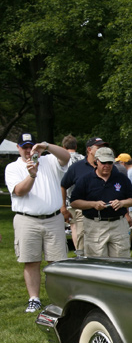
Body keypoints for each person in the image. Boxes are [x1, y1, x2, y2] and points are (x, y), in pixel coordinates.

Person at [6, 133, 71, 312]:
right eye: (24, 147)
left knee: (56, 262)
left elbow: (66, 156)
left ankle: (59, 298)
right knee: (31, 261)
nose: (28, 151)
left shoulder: (50, 160)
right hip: (26, 220)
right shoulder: (13, 167)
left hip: (54, 218)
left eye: (31, 146)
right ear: (18, 148)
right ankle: (34, 298)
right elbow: (19, 191)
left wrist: (46, 146)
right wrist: (31, 175)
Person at [70, 147, 132, 258]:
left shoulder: (121, 178)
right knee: (97, 263)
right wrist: (93, 204)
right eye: (103, 162)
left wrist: (122, 203)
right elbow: (74, 202)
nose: (107, 165)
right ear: (97, 161)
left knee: (121, 261)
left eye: (110, 162)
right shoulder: (86, 179)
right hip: (95, 225)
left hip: (118, 224)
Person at [61, 136, 107, 251]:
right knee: (83, 240)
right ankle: (81, 257)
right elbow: (63, 185)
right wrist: (63, 208)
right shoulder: (77, 166)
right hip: (82, 210)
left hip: (105, 210)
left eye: (103, 147)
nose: (102, 150)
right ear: (89, 149)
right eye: (99, 147)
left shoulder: (108, 166)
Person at [61, 135, 86, 253]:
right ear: (76, 146)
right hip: (83, 198)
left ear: (63, 147)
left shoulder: (61, 159)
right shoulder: (83, 158)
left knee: (73, 226)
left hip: (67, 198)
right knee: (82, 227)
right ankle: (82, 250)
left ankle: (78, 251)